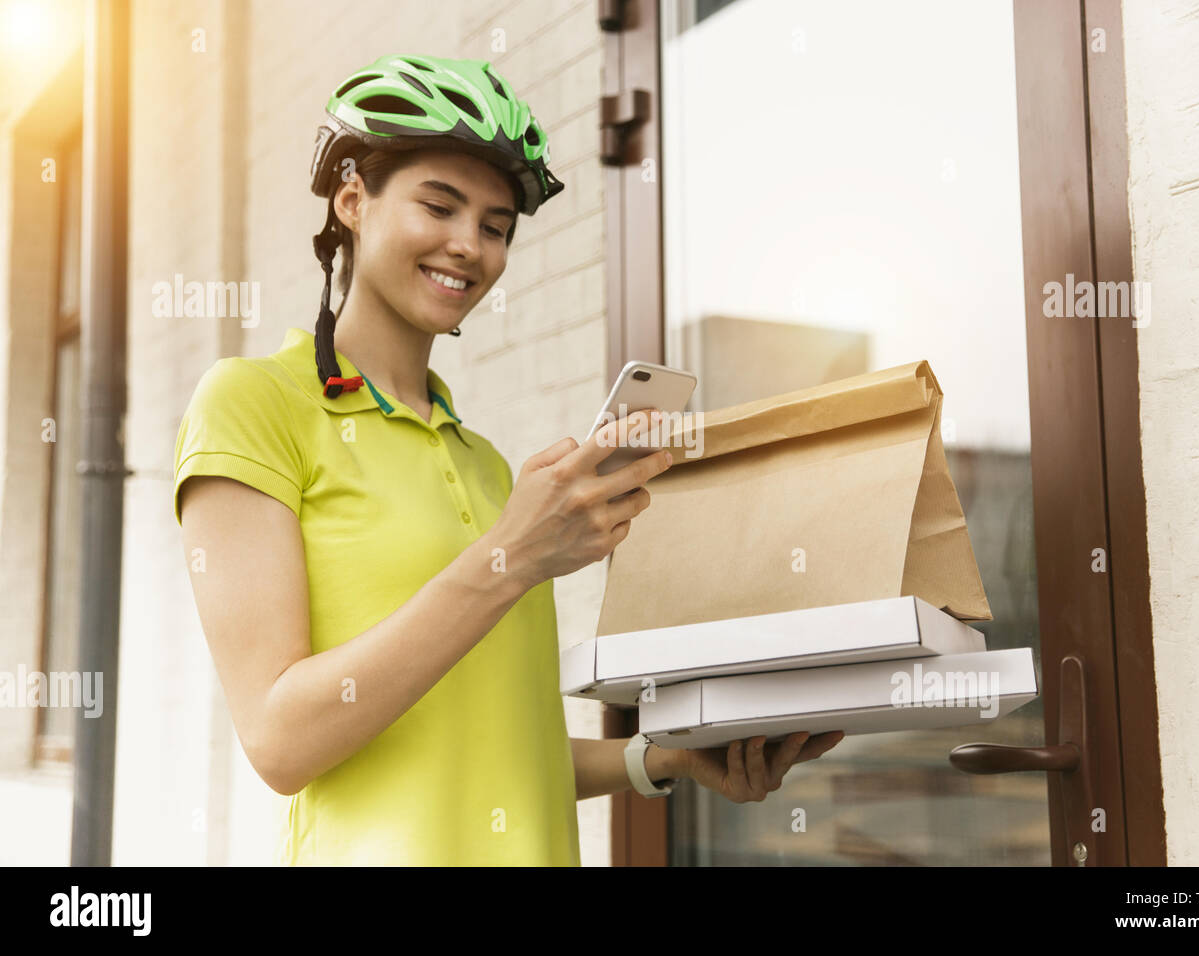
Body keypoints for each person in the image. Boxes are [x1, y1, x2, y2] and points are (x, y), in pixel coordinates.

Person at [173, 54, 843, 866]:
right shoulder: (254, 404)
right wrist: (510, 556)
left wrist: (662, 759)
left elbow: (490, 752)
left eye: (495, 227)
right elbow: (280, 741)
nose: (469, 247)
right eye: (440, 206)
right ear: (352, 199)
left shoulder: (491, 468)